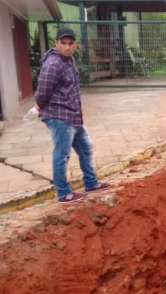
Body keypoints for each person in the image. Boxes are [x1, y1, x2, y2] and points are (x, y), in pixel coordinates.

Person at [35, 26, 110, 203]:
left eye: (70, 43)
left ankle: (91, 183)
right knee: (61, 155)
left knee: (86, 147)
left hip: (74, 116)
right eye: (63, 43)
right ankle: (63, 193)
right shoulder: (53, 64)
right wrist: (45, 110)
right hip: (60, 117)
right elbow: (42, 93)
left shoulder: (68, 60)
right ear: (56, 43)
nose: (67, 47)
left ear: (75, 44)